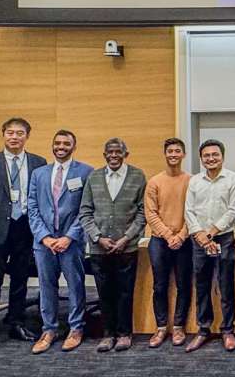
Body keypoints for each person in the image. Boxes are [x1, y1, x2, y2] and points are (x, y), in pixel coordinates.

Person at [0, 117, 47, 354]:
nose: (14, 137)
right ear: (3, 134)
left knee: (20, 281)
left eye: (19, 133)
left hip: (25, 229)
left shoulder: (39, 162)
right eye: (10, 133)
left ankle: (16, 322)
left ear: (27, 135)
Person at [28, 129, 93, 354]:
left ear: (74, 147)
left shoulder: (85, 171)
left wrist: (68, 237)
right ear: (52, 145)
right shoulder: (39, 173)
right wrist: (44, 237)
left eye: (66, 143)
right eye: (57, 143)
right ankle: (49, 329)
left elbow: (86, 209)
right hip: (43, 243)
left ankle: (76, 328)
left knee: (75, 285)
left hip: (71, 242)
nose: (61, 147)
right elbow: (32, 208)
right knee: (46, 286)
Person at [78, 138, 147, 352]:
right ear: (104, 155)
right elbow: (85, 212)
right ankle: (108, 334)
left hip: (127, 247)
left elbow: (142, 212)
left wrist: (127, 237)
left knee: (125, 292)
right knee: (104, 292)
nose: (114, 155)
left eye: (118, 152)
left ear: (126, 154)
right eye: (110, 152)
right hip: (100, 248)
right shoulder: (94, 177)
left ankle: (125, 333)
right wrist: (98, 237)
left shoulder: (138, 176)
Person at [184, 139, 235, 352]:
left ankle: (228, 330)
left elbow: (233, 210)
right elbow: (189, 210)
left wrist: (211, 232)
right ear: (201, 159)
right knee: (202, 285)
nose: (211, 158)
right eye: (206, 155)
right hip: (199, 240)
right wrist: (199, 234)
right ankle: (203, 329)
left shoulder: (233, 179)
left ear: (222, 156)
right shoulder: (194, 181)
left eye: (215, 155)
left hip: (223, 238)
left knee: (225, 285)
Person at [144, 137, 192, 348]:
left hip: (185, 240)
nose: (173, 154)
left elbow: (194, 213)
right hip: (159, 241)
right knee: (160, 285)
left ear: (183, 154)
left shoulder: (191, 180)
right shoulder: (154, 182)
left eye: (177, 151)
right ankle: (161, 327)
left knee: (183, 285)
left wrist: (180, 236)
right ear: (165, 154)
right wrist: (168, 235)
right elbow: (150, 213)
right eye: (170, 151)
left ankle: (179, 327)